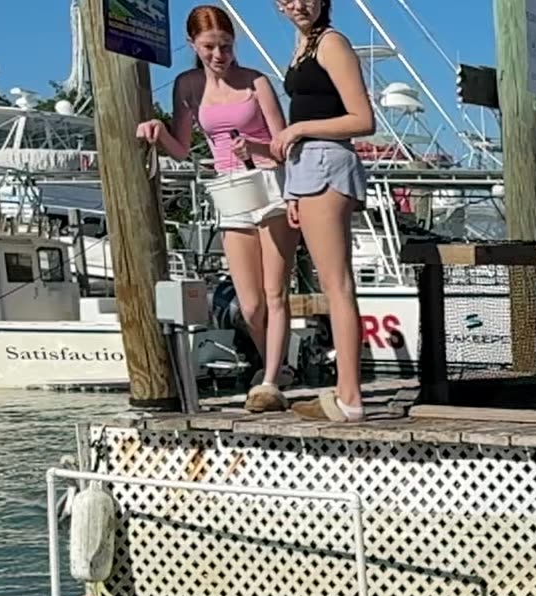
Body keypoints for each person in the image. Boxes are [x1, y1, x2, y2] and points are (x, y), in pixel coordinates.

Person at [137, 6, 294, 414]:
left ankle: (271, 378)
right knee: (250, 304)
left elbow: (283, 145)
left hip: (269, 186)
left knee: (275, 293)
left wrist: (254, 147)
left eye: (225, 46)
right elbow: (183, 147)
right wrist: (156, 131)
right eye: (210, 47)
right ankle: (277, 365)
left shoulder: (256, 82)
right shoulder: (188, 86)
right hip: (230, 191)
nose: (219, 55)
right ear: (193, 45)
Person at [274, 0, 374, 422]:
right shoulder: (302, 46)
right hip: (306, 169)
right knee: (331, 282)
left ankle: (349, 396)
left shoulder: (331, 44)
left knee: (337, 285)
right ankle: (343, 389)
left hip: (325, 162)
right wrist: (293, 191)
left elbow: (362, 119)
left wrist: (298, 129)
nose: (299, 4)